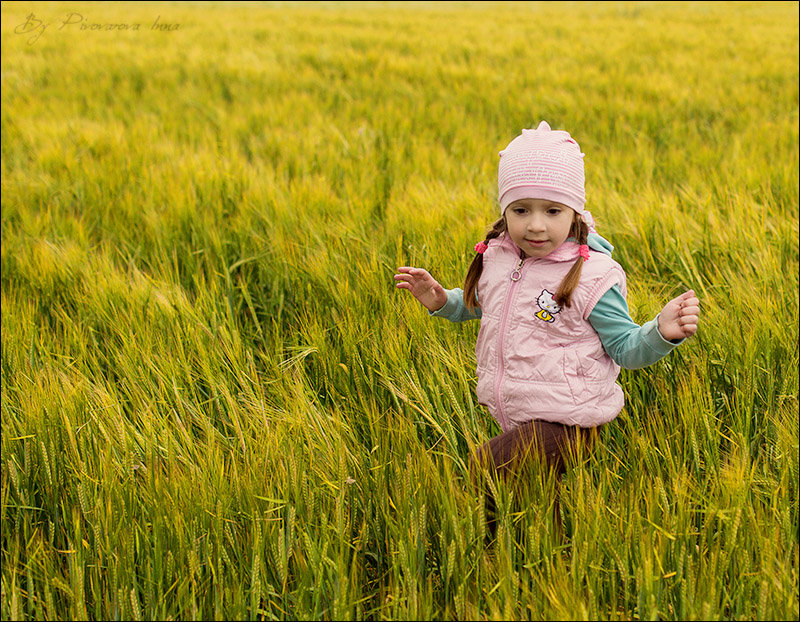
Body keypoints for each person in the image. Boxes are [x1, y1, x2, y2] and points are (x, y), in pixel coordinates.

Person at [393, 121, 700, 539]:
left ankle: (483, 550)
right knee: (539, 502)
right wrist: (442, 301)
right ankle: (546, 559)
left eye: (552, 211)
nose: (535, 226)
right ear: (504, 210)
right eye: (521, 210)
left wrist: (661, 331)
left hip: (570, 423)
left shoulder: (591, 276)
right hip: (521, 416)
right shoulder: (500, 257)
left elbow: (626, 349)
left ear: (575, 212)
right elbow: (484, 305)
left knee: (485, 468)